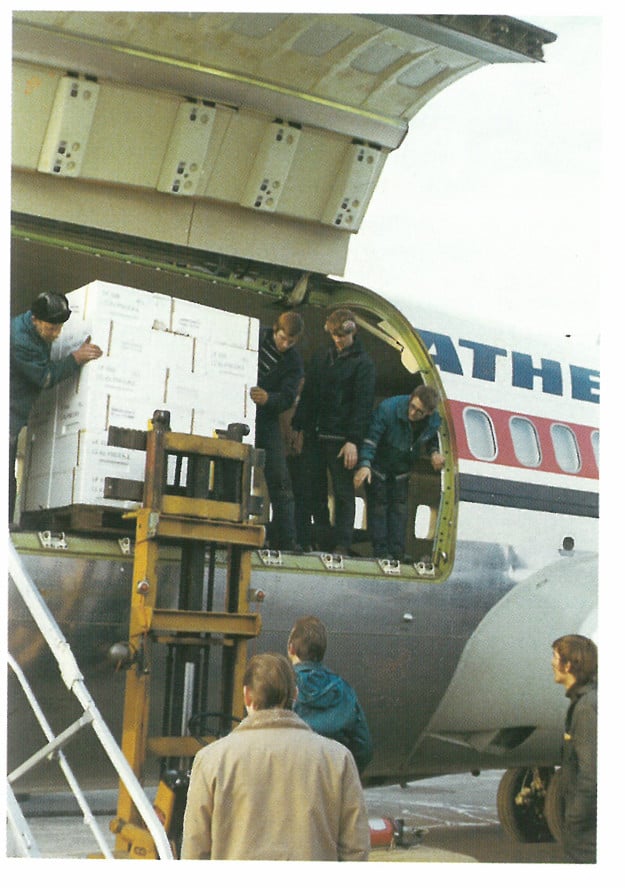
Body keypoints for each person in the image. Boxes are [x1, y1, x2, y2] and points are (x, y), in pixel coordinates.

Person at [181, 652, 369, 860]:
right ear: (295, 695)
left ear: (247, 696)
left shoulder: (210, 760)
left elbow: (194, 849)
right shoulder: (338, 759)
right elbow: (355, 849)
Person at [9, 291, 103, 524]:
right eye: (51, 329)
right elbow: (45, 377)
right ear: (34, 319)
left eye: (59, 328)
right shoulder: (19, 340)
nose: (56, 334)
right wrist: (75, 359)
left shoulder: (33, 332)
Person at [291, 308, 375, 554]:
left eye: (343, 336)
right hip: (317, 433)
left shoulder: (364, 365)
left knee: (343, 493)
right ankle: (310, 537)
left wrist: (353, 441)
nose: (338, 340)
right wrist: (299, 425)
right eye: (335, 336)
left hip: (341, 439)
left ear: (353, 333)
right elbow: (309, 394)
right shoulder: (322, 357)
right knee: (310, 489)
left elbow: (363, 405)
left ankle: (342, 544)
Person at [353, 384, 444, 561]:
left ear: (429, 412)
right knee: (379, 507)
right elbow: (371, 438)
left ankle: (397, 552)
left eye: (419, 412)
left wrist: (434, 453)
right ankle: (381, 552)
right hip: (379, 467)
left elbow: (431, 437)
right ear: (410, 399)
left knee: (399, 510)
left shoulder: (433, 421)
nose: (412, 413)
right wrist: (365, 464)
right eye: (412, 407)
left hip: (402, 470)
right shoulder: (388, 409)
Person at [287, 615, 373, 774]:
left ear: (291, 649)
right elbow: (364, 748)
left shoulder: (283, 686)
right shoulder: (344, 690)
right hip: (330, 783)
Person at [250, 311, 304, 550]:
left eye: (290, 342)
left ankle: (287, 538)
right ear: (275, 330)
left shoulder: (294, 362)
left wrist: (269, 399)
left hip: (267, 417)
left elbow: (288, 397)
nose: (285, 345)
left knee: (279, 477)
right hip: (239, 412)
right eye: (282, 339)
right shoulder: (254, 338)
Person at [551, 634, 598, 863]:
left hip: (586, 836)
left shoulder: (587, 707)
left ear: (568, 665)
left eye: (555, 657)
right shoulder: (581, 702)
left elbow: (592, 774)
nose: (552, 663)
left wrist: (575, 818)